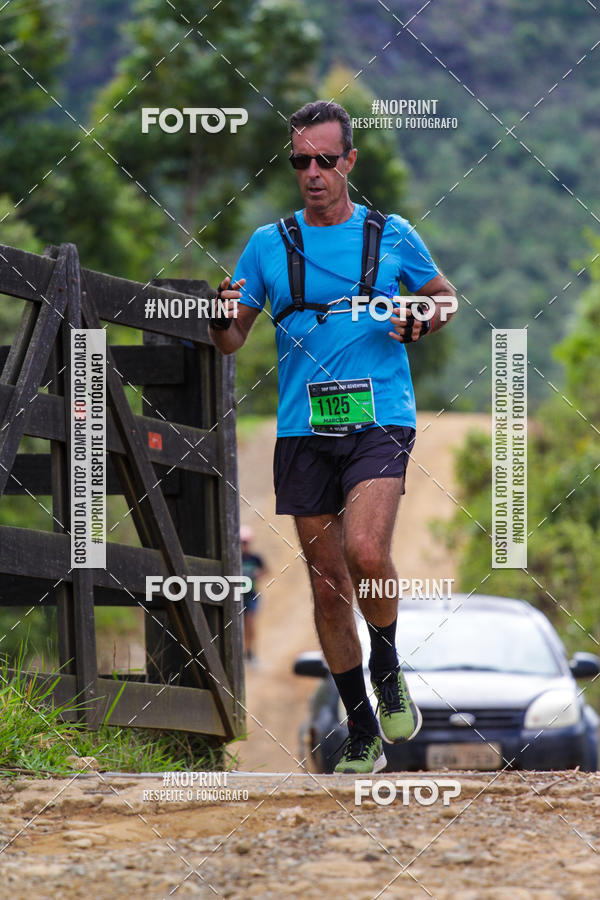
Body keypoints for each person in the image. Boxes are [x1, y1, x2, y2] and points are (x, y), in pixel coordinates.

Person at [209, 100, 456, 773]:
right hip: (303, 428)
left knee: (366, 551)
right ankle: (361, 730)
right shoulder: (268, 245)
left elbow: (445, 297)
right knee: (326, 584)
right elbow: (231, 338)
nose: (312, 173)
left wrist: (422, 316)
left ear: (349, 161)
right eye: (300, 161)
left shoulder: (390, 234)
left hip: (380, 417)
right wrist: (217, 314)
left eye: (324, 160)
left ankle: (388, 667)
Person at [240, 524, 266, 665]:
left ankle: (250, 652)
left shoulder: (255, 559)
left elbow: (264, 571)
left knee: (249, 624)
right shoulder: (235, 559)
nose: (244, 546)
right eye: (241, 543)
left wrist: (257, 574)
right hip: (237, 596)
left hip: (251, 595)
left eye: (245, 543)